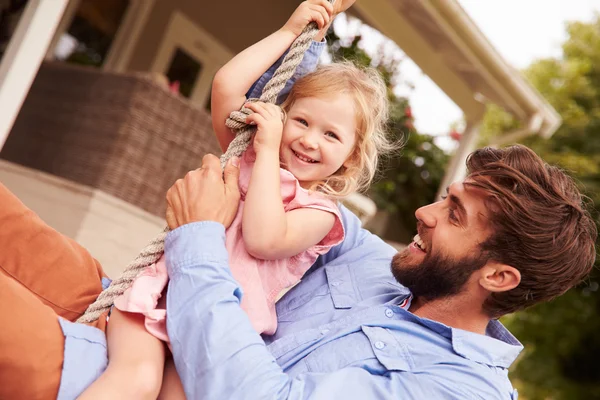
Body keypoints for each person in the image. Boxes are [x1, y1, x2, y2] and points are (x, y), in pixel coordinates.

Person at [0, 7, 596, 400]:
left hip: (124, 376)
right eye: (447, 198)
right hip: (137, 313)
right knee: (11, 224)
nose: (424, 213)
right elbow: (286, 105)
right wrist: (306, 30)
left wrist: (198, 236)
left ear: (497, 274)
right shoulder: (383, 266)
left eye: (454, 216)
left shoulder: (454, 388)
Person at [78, 0, 395, 398]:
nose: (309, 140)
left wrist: (266, 152)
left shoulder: (319, 214)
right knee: (137, 380)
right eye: (301, 121)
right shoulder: (247, 153)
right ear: (282, 117)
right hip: (158, 296)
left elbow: (264, 237)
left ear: (350, 156)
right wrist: (287, 33)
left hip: (216, 333)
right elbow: (227, 86)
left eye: (331, 135)